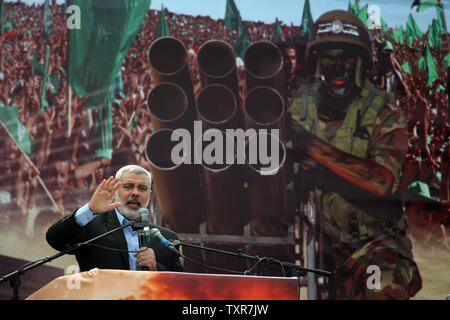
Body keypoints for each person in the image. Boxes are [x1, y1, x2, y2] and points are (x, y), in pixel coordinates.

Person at [289, 10, 421, 299]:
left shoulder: (384, 112)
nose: (338, 68)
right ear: (315, 62)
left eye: (347, 58)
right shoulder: (298, 104)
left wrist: (310, 145)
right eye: (328, 57)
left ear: (362, 63)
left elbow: (380, 181)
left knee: (382, 288)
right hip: (315, 247)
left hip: (374, 248)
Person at [46, 164, 184, 272]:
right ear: (115, 191)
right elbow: (55, 239)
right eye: (128, 186)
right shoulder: (92, 225)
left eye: (142, 188)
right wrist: (90, 209)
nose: (135, 193)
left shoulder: (167, 239)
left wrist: (156, 269)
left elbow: (181, 288)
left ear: (149, 194)